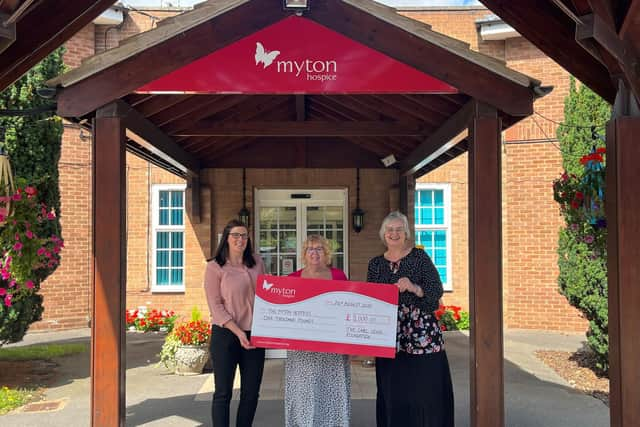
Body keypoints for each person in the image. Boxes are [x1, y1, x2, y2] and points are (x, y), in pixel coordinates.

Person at [367, 211, 454, 427]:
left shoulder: (419, 257)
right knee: (393, 389)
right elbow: (370, 300)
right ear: (383, 234)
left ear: (406, 233)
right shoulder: (375, 264)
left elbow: (436, 291)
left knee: (425, 389)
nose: (394, 233)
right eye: (390, 230)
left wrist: (414, 288)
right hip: (388, 335)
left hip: (422, 334)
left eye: (398, 229)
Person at [285, 234, 351, 427]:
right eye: (310, 249)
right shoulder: (293, 279)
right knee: (304, 389)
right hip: (302, 349)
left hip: (332, 346)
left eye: (319, 249)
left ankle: (334, 422)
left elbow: (348, 307)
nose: (314, 253)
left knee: (330, 387)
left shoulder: (338, 276)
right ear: (304, 254)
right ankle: (303, 422)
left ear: (326, 253)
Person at [204, 219, 266, 427]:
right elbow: (216, 306)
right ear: (226, 239)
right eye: (236, 236)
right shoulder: (214, 267)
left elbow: (267, 295)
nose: (241, 240)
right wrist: (238, 332)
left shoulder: (257, 262)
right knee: (223, 392)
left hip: (255, 335)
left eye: (244, 236)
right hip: (226, 335)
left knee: (251, 392)